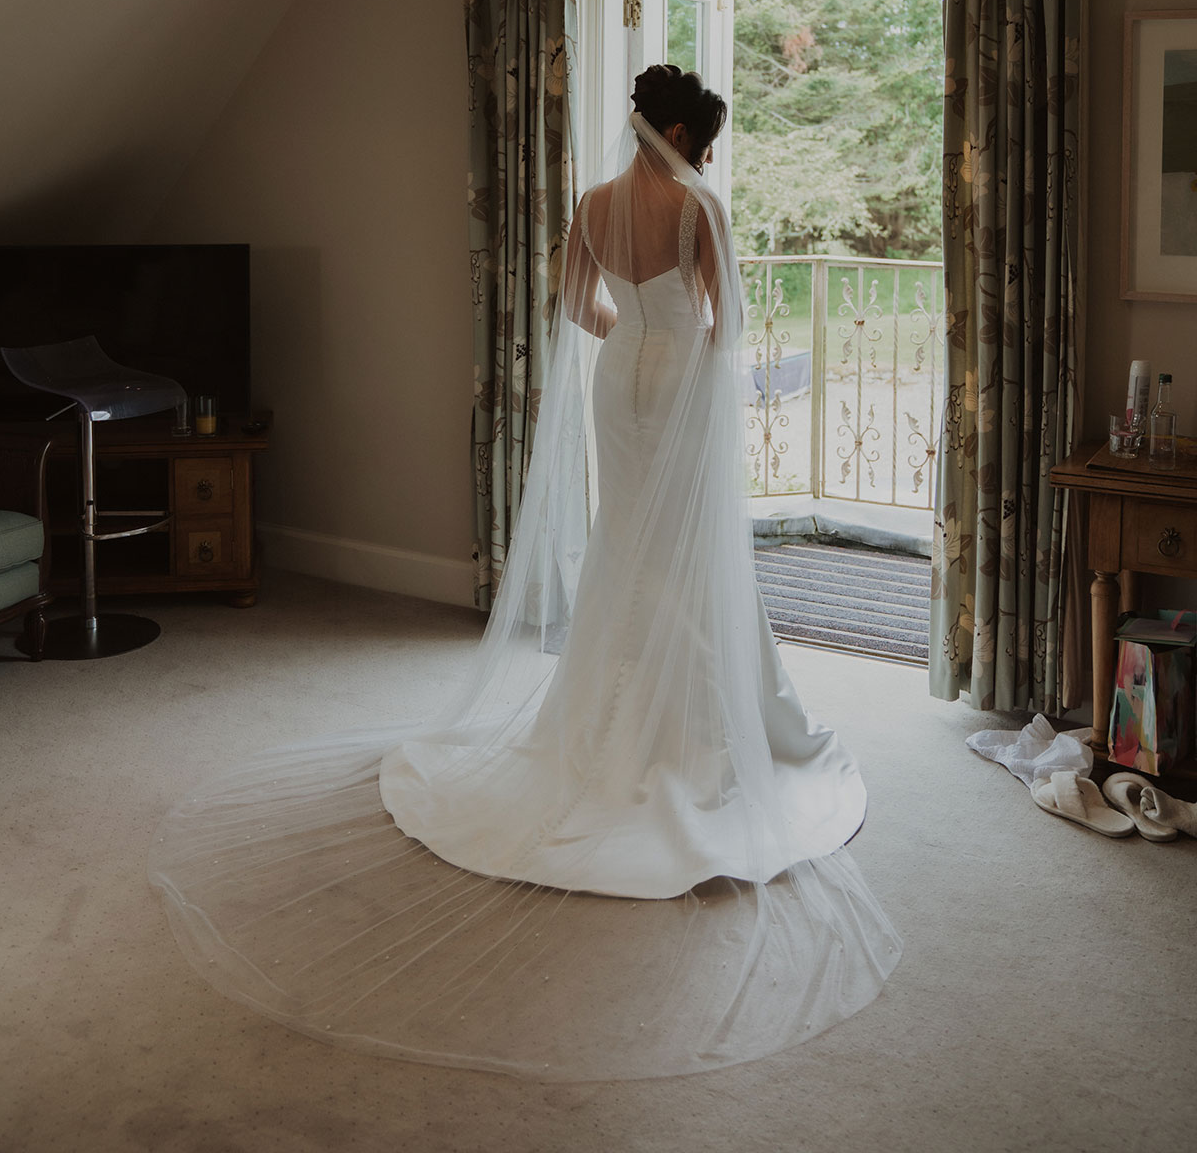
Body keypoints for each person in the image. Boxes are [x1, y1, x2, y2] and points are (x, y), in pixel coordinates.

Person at [149, 67, 900, 1079]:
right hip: (680, 384)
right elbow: (726, 327)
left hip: (618, 382)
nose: (709, 156)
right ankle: (697, 721)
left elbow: (570, 299)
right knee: (687, 546)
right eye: (706, 139)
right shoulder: (701, 206)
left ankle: (606, 717)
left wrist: (628, 333)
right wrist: (678, 346)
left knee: (629, 542)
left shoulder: (593, 204)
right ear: (680, 132)